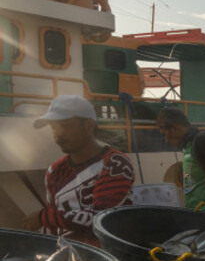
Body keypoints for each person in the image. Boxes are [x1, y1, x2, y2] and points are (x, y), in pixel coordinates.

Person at [20, 95, 135, 246]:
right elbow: (53, 226)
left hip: (107, 257)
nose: (58, 133)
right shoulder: (54, 171)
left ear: (88, 125)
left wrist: (43, 218)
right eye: (54, 127)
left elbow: (104, 220)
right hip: (66, 257)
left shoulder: (115, 164)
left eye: (66, 125)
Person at [156, 107, 205, 210]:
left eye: (165, 134)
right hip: (197, 213)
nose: (166, 139)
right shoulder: (188, 147)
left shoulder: (201, 142)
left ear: (175, 128)